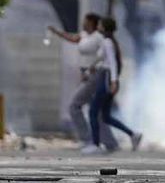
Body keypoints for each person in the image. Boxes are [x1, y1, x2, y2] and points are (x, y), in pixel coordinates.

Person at [49, 13, 118, 151]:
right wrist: (56, 32)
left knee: (75, 106)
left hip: (95, 76)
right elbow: (73, 38)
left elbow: (106, 58)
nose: (83, 23)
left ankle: (89, 140)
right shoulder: (85, 36)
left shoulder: (99, 38)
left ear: (92, 23)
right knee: (96, 112)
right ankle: (109, 142)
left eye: (86, 21)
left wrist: (110, 79)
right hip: (88, 75)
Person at [85, 17, 143, 154]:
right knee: (105, 116)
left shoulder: (107, 42)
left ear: (104, 27)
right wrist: (93, 67)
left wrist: (113, 81)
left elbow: (112, 62)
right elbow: (104, 59)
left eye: (100, 24)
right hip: (106, 77)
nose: (98, 26)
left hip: (107, 79)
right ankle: (133, 135)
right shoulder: (108, 41)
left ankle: (95, 144)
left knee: (93, 111)